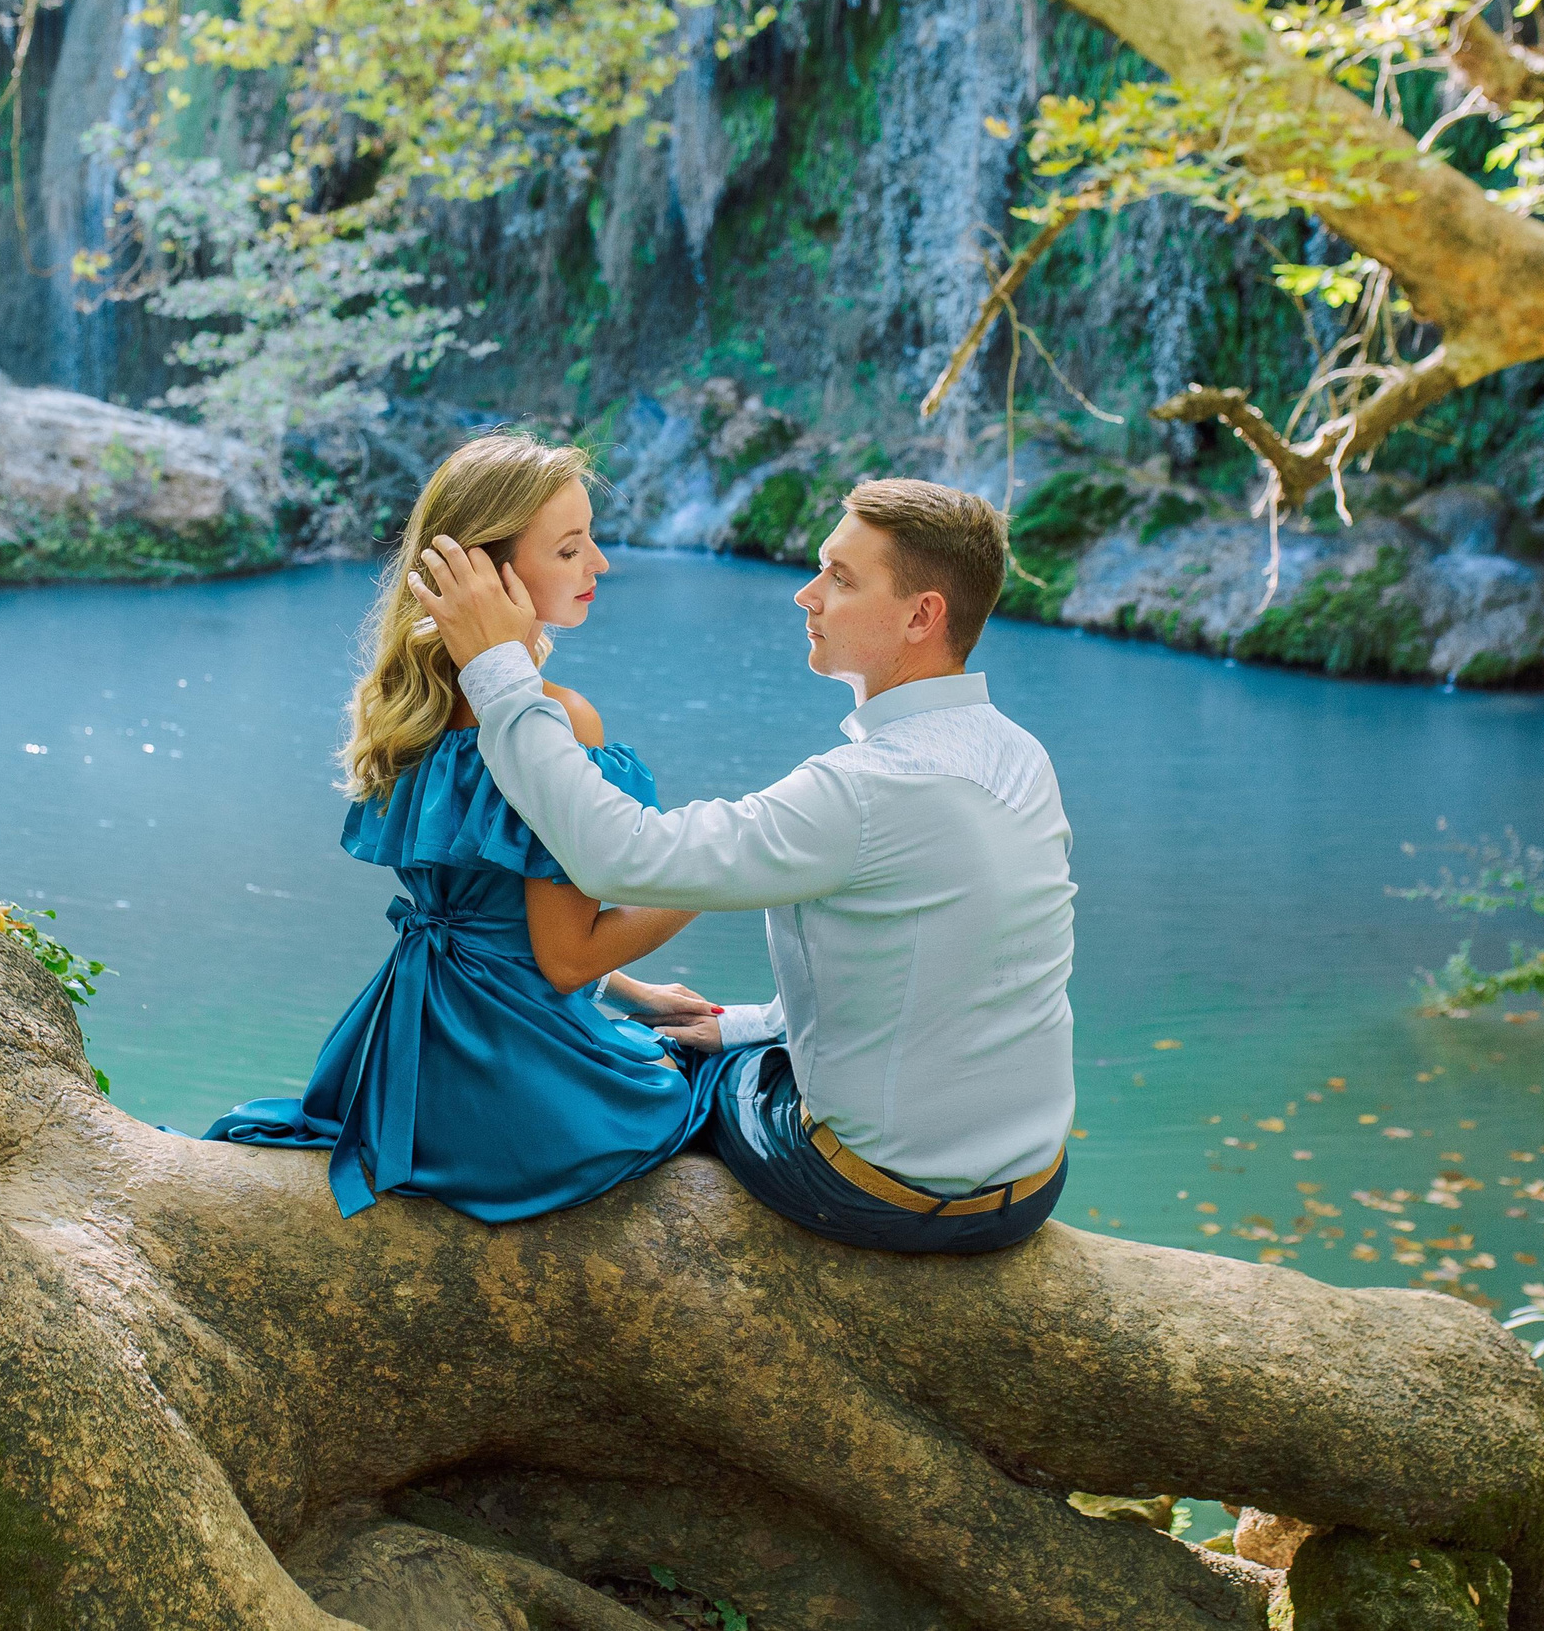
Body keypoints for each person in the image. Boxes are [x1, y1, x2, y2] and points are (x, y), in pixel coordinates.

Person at [411, 478, 1077, 1254]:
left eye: (840, 577)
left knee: (654, 1079)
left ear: (922, 615)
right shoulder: (1019, 755)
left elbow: (613, 857)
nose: (807, 594)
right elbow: (950, 973)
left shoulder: (862, 792)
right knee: (712, 1041)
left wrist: (497, 670)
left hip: (882, 1191)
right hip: (1030, 1179)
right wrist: (749, 1025)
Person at [202, 432, 728, 1222]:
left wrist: (637, 995)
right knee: (713, 1077)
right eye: (570, 548)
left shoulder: (414, 705)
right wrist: (711, 871)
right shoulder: (556, 722)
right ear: (490, 571)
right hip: (515, 1081)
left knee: (671, 1035)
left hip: (402, 1055)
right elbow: (562, 955)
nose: (600, 565)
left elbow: (494, 921)